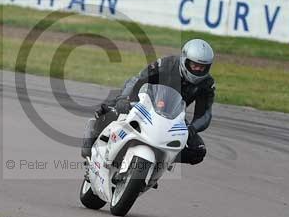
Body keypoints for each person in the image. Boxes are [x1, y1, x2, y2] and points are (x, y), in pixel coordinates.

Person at [81, 38, 215, 165]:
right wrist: (126, 99)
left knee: (198, 150)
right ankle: (93, 135)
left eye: (202, 67)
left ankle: (161, 160)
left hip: (173, 115)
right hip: (145, 99)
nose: (198, 69)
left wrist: (192, 128)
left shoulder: (206, 84)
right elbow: (140, 80)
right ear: (185, 60)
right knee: (113, 110)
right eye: (194, 65)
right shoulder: (166, 64)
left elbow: (204, 114)